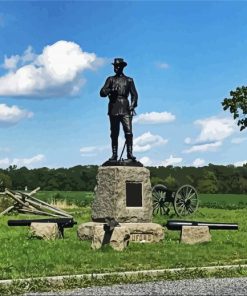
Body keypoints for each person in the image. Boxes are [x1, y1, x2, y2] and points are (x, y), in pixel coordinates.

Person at [100, 58, 138, 161]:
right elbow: (102, 92)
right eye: (115, 66)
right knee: (114, 133)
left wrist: (132, 105)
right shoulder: (110, 79)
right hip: (113, 107)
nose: (116, 68)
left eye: (118, 66)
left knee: (129, 132)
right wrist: (110, 90)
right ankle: (114, 155)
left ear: (122, 67)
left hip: (125, 108)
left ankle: (130, 154)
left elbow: (134, 95)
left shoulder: (129, 80)